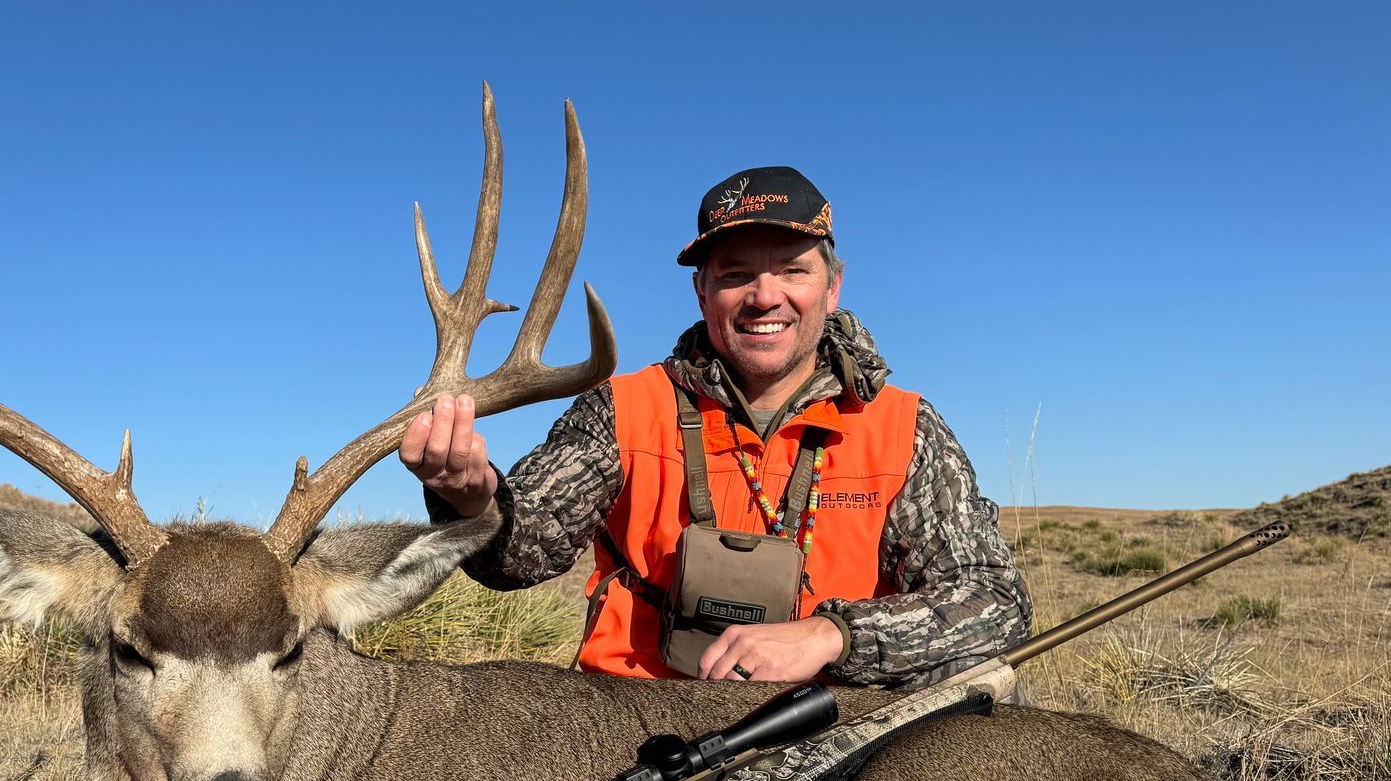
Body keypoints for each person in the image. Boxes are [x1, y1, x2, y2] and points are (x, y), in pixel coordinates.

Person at [399, 166, 1031, 686]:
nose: (765, 296)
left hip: (830, 726)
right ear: (702, 292)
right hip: (636, 723)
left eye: (793, 270)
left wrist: (831, 635)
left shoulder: (902, 427)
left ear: (833, 287)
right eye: (735, 275)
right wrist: (471, 496)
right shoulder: (625, 409)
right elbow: (520, 554)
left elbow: (993, 600)